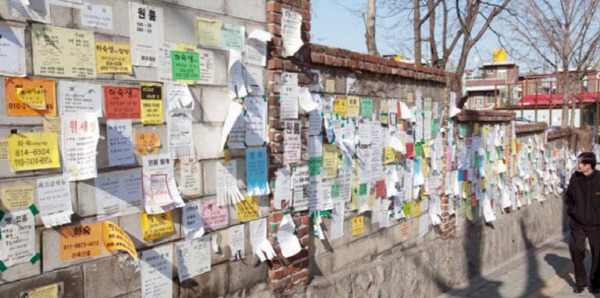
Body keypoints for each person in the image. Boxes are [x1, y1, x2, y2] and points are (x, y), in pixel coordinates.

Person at [566, 152, 600, 293]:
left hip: (597, 225)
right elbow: (569, 197)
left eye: (580, 162)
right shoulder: (575, 178)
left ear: (588, 165)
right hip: (578, 223)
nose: (578, 165)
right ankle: (581, 283)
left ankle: (596, 283)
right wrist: (573, 211)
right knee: (576, 250)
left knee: (598, 254)